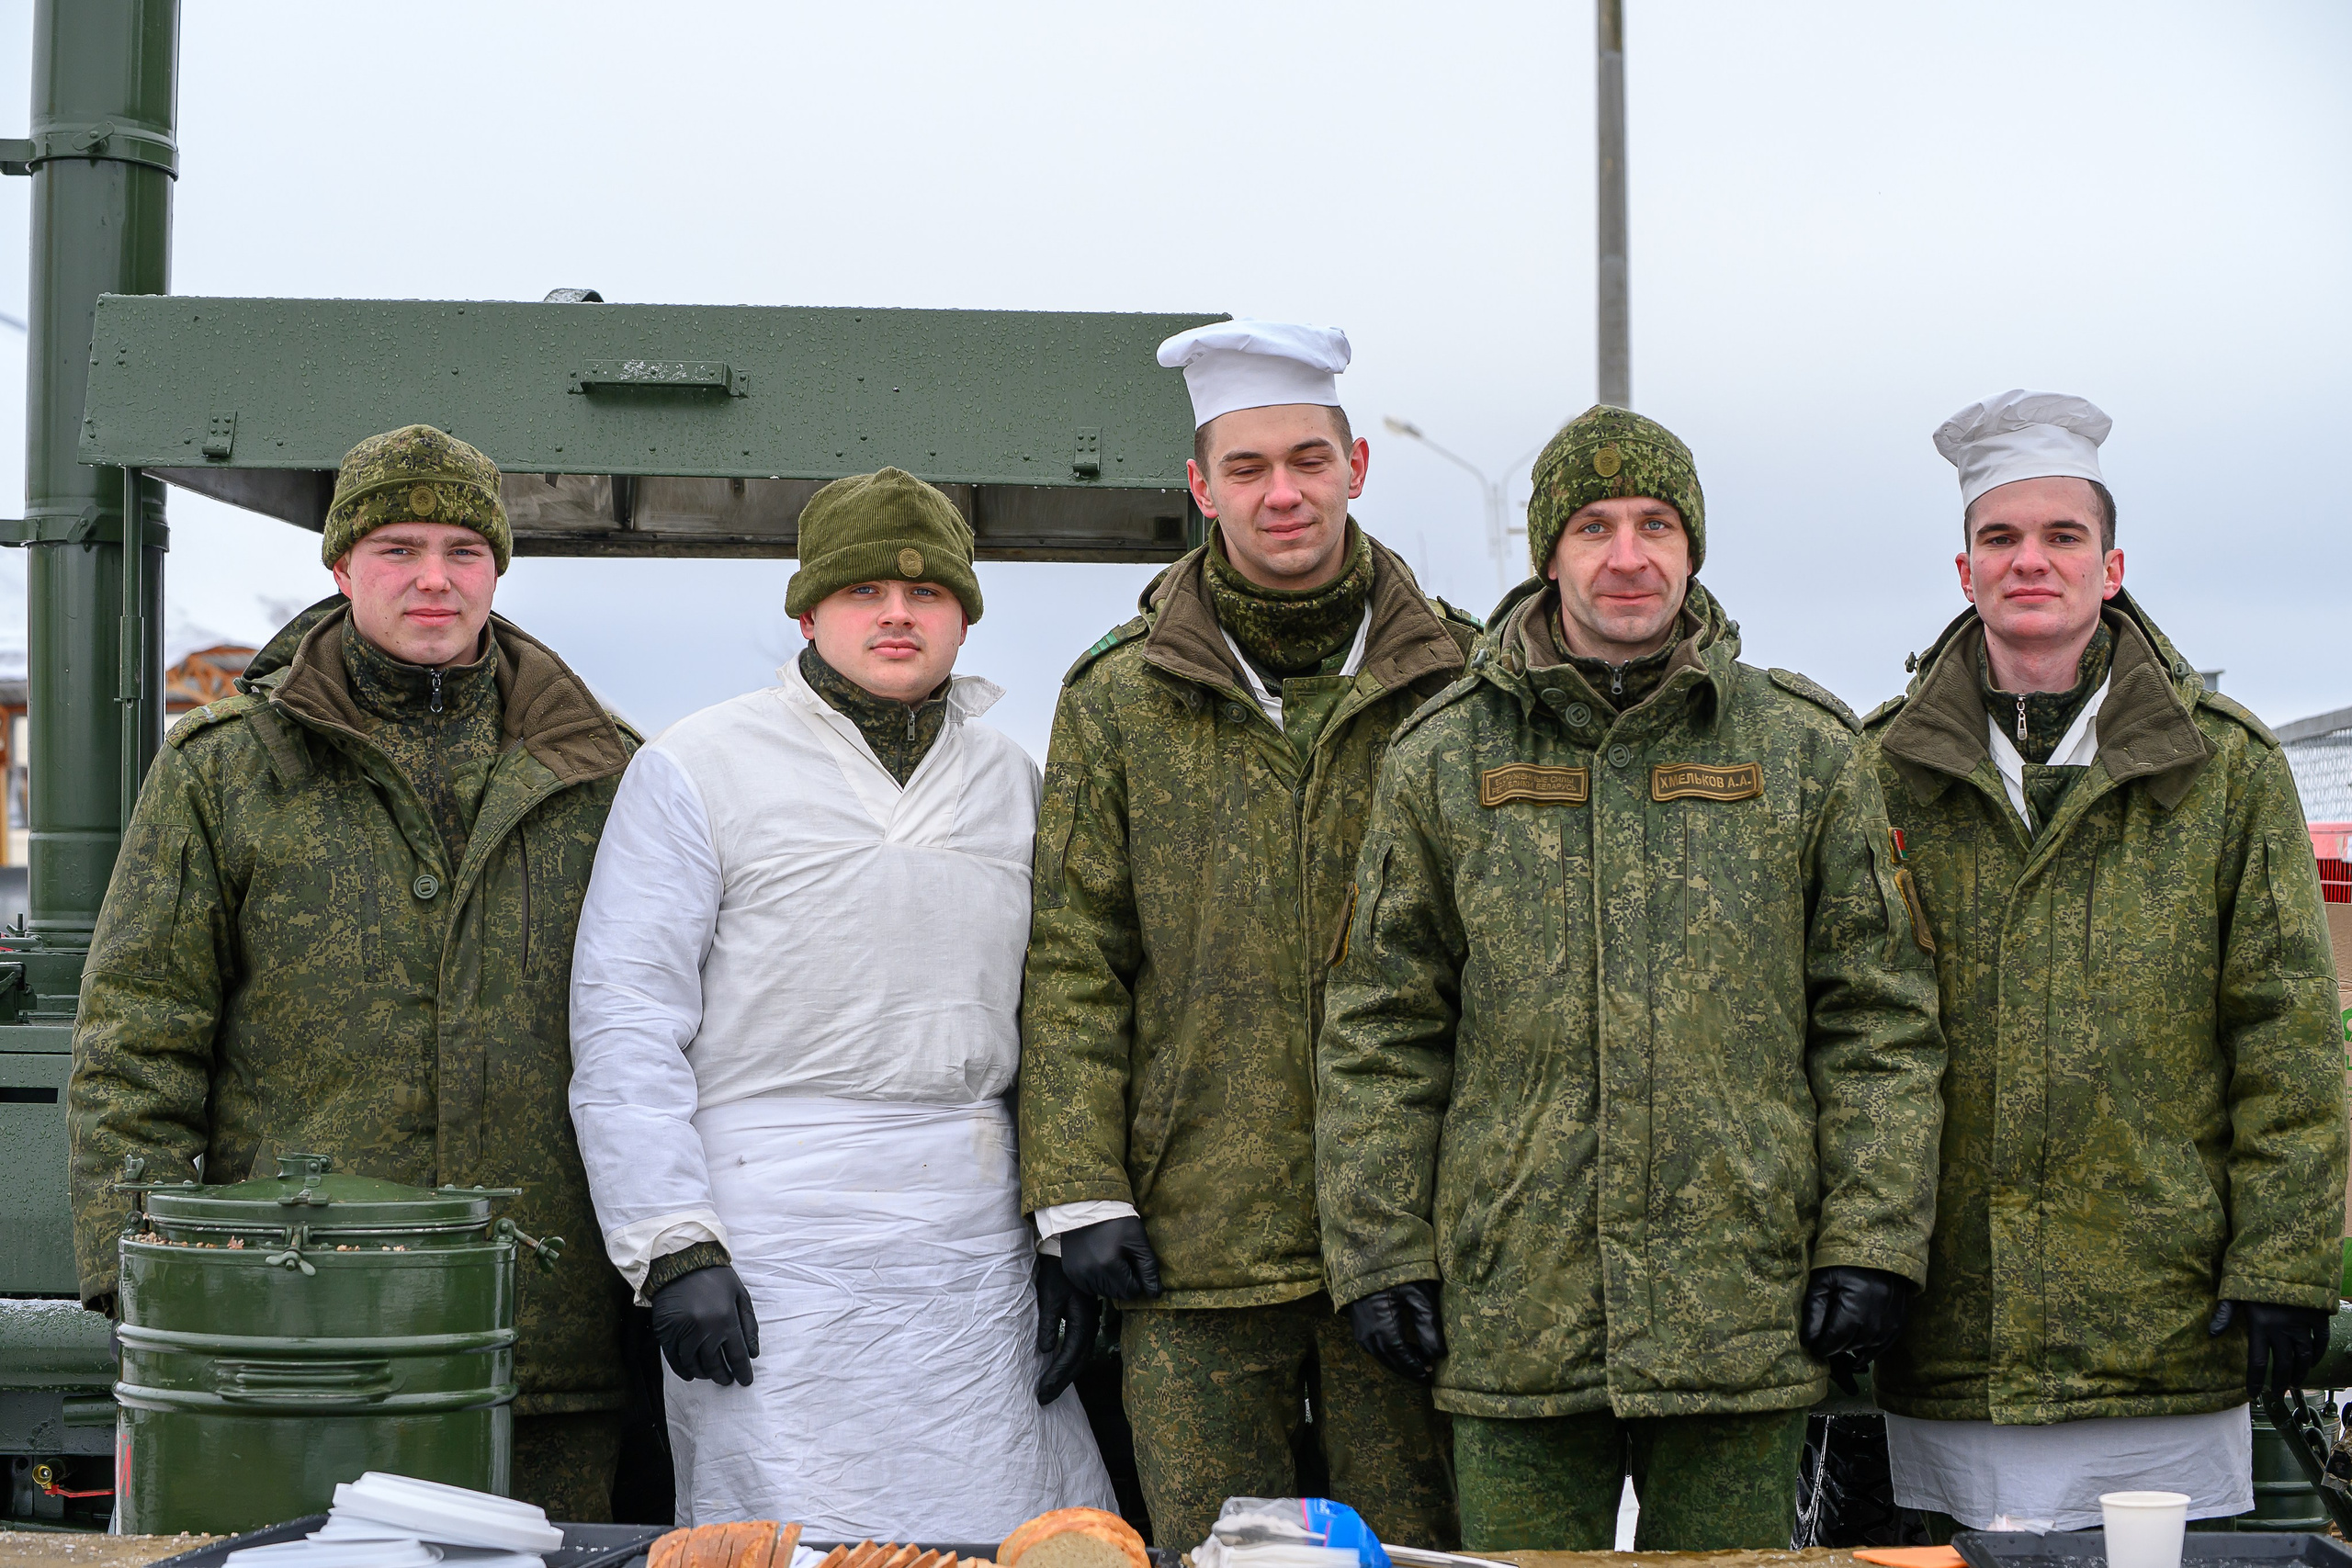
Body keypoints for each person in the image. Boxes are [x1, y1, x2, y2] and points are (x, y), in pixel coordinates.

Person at [1314, 405, 1948, 1552]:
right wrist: (1378, 1251)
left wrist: (1872, 1237)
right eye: (1593, 525)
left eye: (1655, 523)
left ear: (1692, 547)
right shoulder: (1446, 754)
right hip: (1513, 1302)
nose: (1626, 556)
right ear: (1548, 552)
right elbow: (1381, 1028)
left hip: (1740, 1304)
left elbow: (1878, 1021)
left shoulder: (1802, 748)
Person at [68, 424, 639, 1520]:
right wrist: (140, 1273)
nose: (434, 578)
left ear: (498, 568)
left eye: (463, 551)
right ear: (340, 568)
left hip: (544, 1342)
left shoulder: (603, 768)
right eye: (398, 549)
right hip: (294, 1338)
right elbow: (136, 1034)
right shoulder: (229, 767)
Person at [567, 468, 1114, 1536]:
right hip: (768, 1243)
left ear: (964, 618)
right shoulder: (699, 766)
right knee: (789, 1540)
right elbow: (627, 1018)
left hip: (971, 1245)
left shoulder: (1013, 782)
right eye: (864, 593)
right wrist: (672, 1246)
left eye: (928, 596)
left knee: (1008, 1534)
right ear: (810, 611)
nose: (898, 616)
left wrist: (1063, 1223)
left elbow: (1061, 1012)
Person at [1019, 321, 1475, 1551]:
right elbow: (1075, 955)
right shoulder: (1119, 696)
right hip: (1193, 1237)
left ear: (1357, 465)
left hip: (1418, 1235)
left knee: (1422, 1543)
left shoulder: (1463, 680)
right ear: (1200, 485)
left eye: (1308, 460)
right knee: (1218, 1547)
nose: (1283, 493)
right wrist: (1077, 1189)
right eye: (1249, 466)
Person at [1865, 389, 2348, 1534]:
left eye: (2061, 536)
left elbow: (2285, 1036)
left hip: (2160, 1328)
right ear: (1963, 567)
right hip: (1949, 1334)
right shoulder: (1876, 767)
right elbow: (1845, 1033)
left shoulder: (2223, 771)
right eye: (2001, 537)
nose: (2030, 561)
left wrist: (2281, 1259)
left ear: (2111, 564)